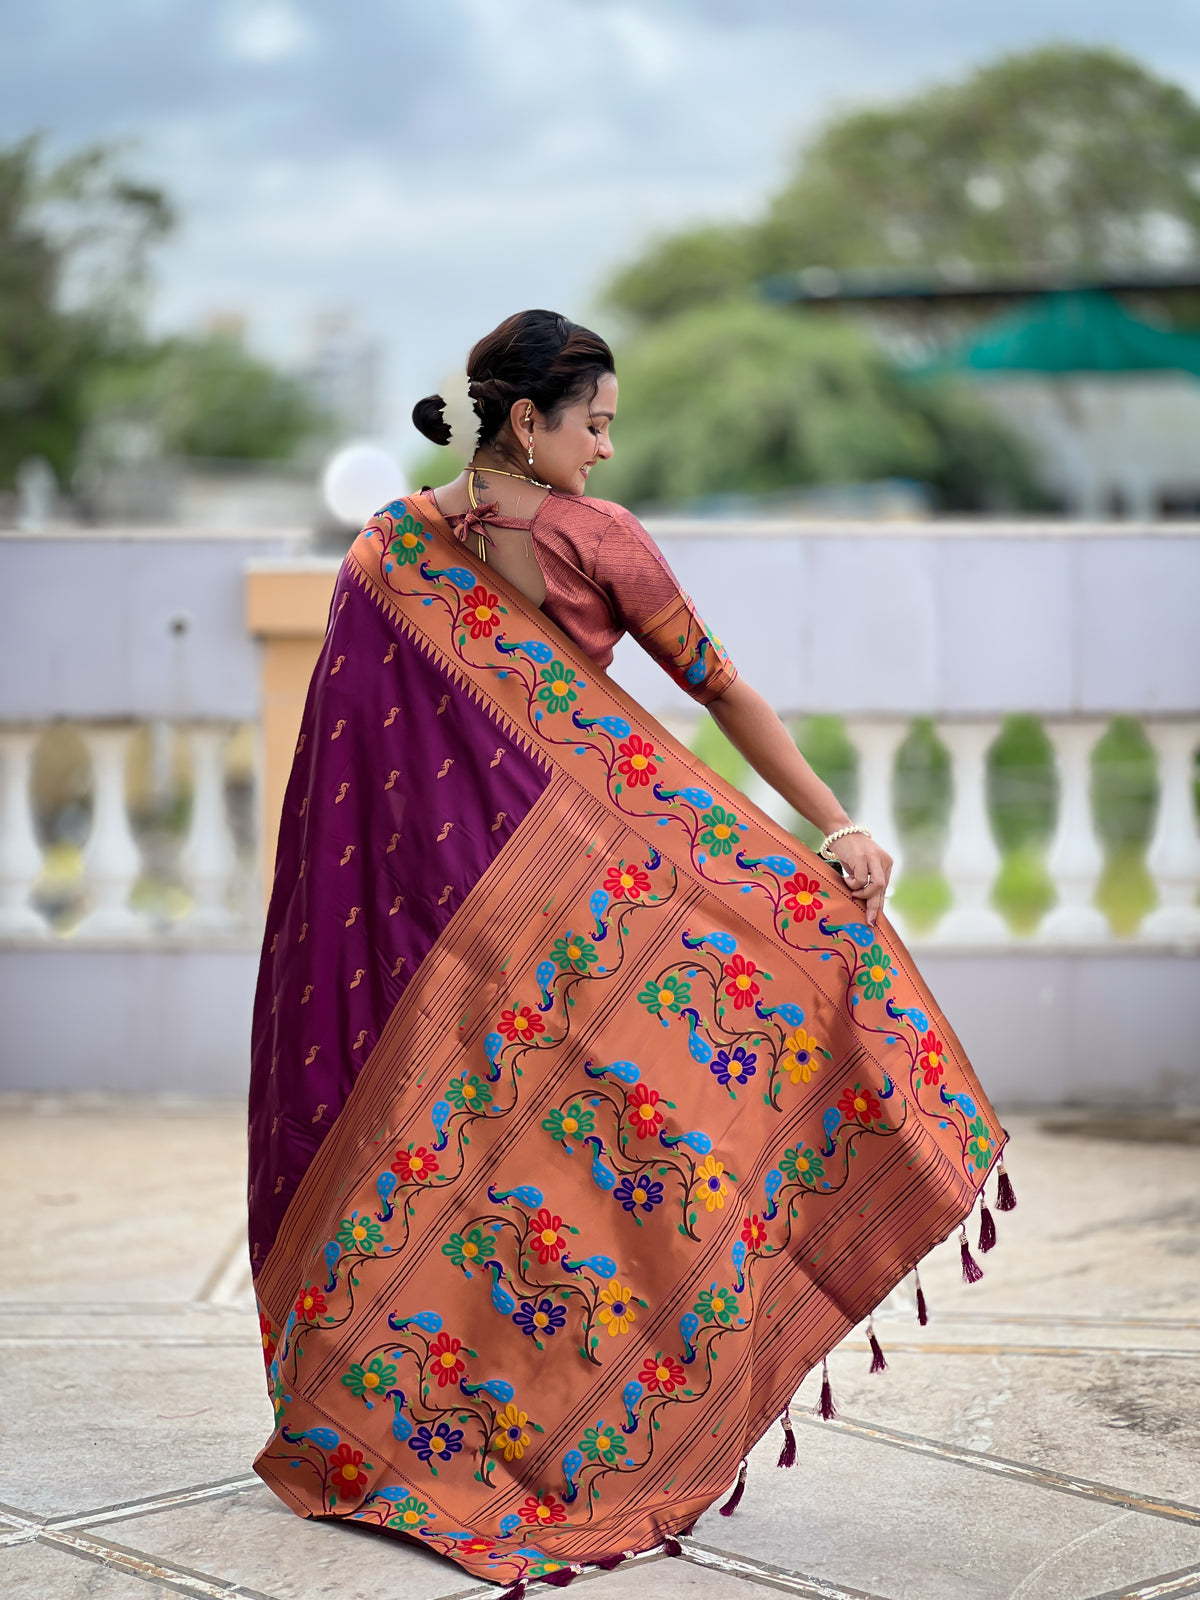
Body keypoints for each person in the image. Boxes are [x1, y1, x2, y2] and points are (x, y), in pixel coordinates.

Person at [248, 310, 1010, 1595]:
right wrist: (835, 825)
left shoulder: (385, 548)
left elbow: (341, 786)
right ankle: (541, 1427)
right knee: (593, 1155)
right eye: (592, 421)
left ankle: (404, 1421)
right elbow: (718, 691)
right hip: (583, 910)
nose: (607, 445)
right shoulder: (595, 541)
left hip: (441, 926)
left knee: (483, 1168)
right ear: (527, 423)